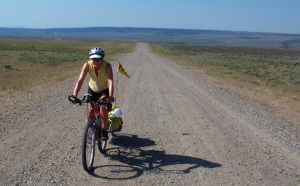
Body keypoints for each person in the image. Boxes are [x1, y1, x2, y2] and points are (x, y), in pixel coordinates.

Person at [72, 47, 114, 139]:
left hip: (104, 90)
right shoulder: (87, 65)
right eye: (93, 59)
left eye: (97, 59)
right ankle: (91, 129)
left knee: (103, 108)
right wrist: (74, 95)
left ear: (102, 58)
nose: (95, 61)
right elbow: (80, 80)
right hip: (92, 89)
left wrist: (110, 96)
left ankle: (104, 131)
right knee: (90, 110)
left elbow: (110, 81)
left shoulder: (107, 66)